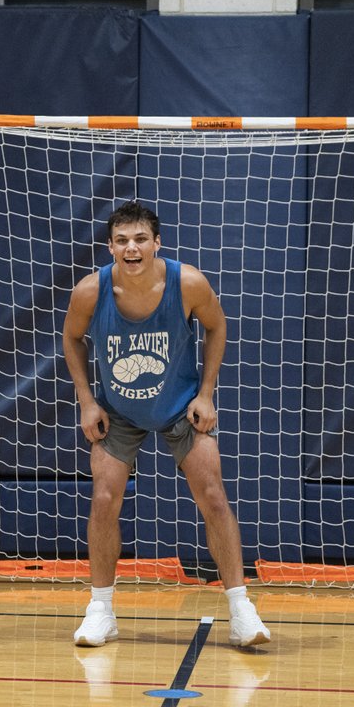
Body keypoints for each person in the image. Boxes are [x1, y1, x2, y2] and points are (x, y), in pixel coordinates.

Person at [61, 200, 270, 649]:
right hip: (117, 411)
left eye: (140, 239)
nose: (131, 248)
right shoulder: (90, 292)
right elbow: (71, 338)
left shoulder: (188, 283)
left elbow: (218, 327)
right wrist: (87, 401)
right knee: (103, 497)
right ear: (110, 247)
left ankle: (240, 609)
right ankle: (100, 609)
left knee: (213, 494)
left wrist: (206, 393)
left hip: (179, 406)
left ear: (157, 243)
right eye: (121, 240)